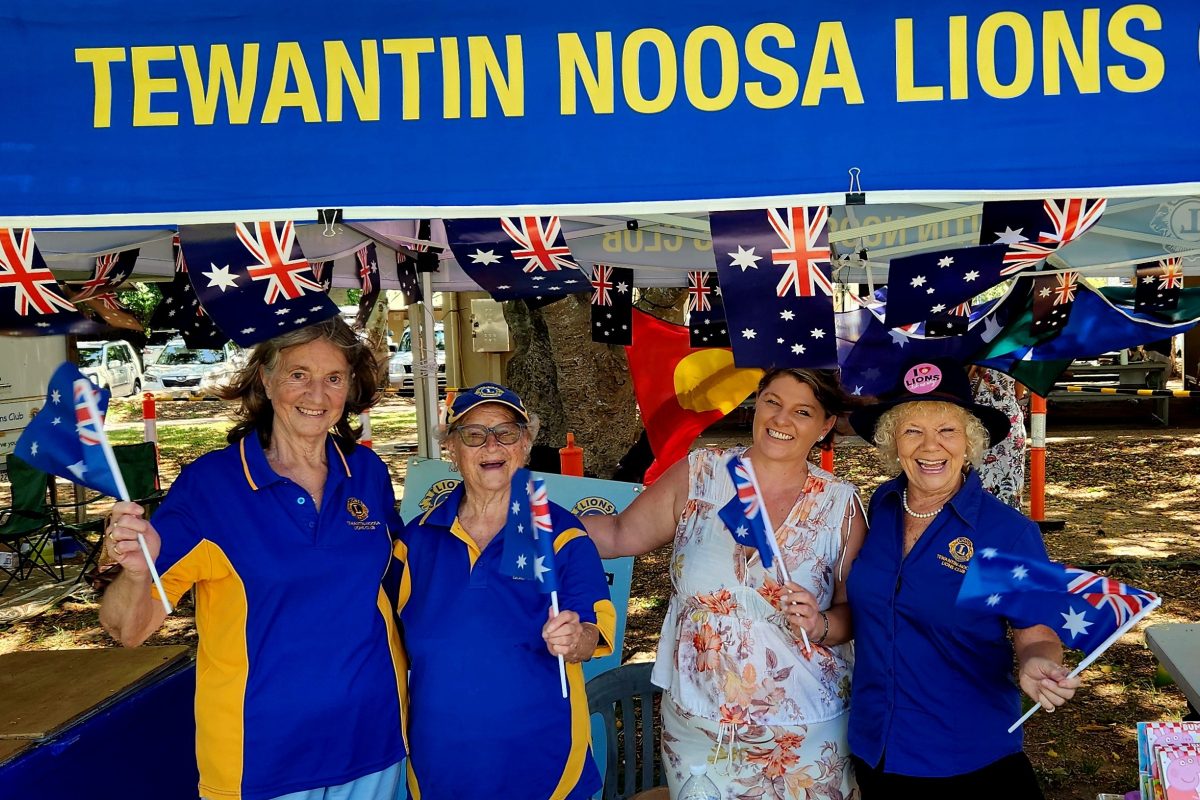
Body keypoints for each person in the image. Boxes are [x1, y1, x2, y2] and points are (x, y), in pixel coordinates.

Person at [101, 319, 407, 800]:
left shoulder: (367, 472)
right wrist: (137, 574)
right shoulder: (211, 487)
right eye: (298, 374)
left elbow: (402, 583)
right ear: (265, 378)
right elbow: (128, 630)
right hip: (261, 760)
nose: (317, 394)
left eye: (333, 377)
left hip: (374, 742)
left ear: (350, 387)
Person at [585, 368, 867, 799]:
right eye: (772, 402)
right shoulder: (699, 474)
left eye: (803, 411)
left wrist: (818, 624)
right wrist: (529, 522)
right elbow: (618, 534)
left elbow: (855, 615)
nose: (781, 419)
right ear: (757, 403)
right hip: (699, 722)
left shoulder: (840, 503)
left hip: (805, 726)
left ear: (825, 425)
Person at [846, 357, 1079, 798]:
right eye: (912, 430)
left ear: (969, 441)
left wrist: (1036, 661)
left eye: (947, 430)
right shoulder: (883, 504)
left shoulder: (1006, 533)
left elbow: (1036, 631)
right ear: (893, 442)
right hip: (875, 746)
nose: (930, 446)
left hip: (965, 756)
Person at [396, 382, 615, 799]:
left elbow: (594, 633)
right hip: (440, 763)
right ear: (451, 448)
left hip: (545, 762)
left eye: (506, 432)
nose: (491, 445)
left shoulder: (562, 535)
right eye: (473, 434)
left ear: (526, 444)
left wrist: (575, 637)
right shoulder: (414, 542)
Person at [968, 366, 1027, 509]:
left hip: (977, 420)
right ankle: (1009, 515)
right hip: (1009, 419)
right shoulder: (1013, 356)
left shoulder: (969, 355)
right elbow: (1019, 392)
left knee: (976, 474)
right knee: (1010, 477)